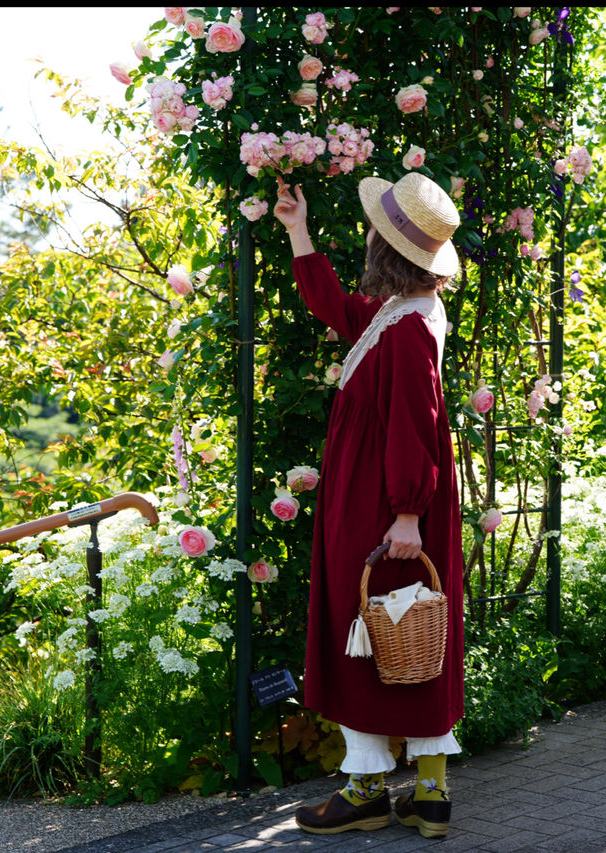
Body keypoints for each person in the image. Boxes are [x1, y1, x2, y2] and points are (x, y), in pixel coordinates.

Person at [273, 171, 464, 838]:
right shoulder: (398, 311)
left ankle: (366, 790)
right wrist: (299, 231)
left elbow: (417, 420)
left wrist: (407, 512)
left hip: (387, 506)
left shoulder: (411, 328)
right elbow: (336, 307)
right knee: (403, 629)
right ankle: (429, 793)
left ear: (388, 248)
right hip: (388, 499)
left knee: (374, 631)